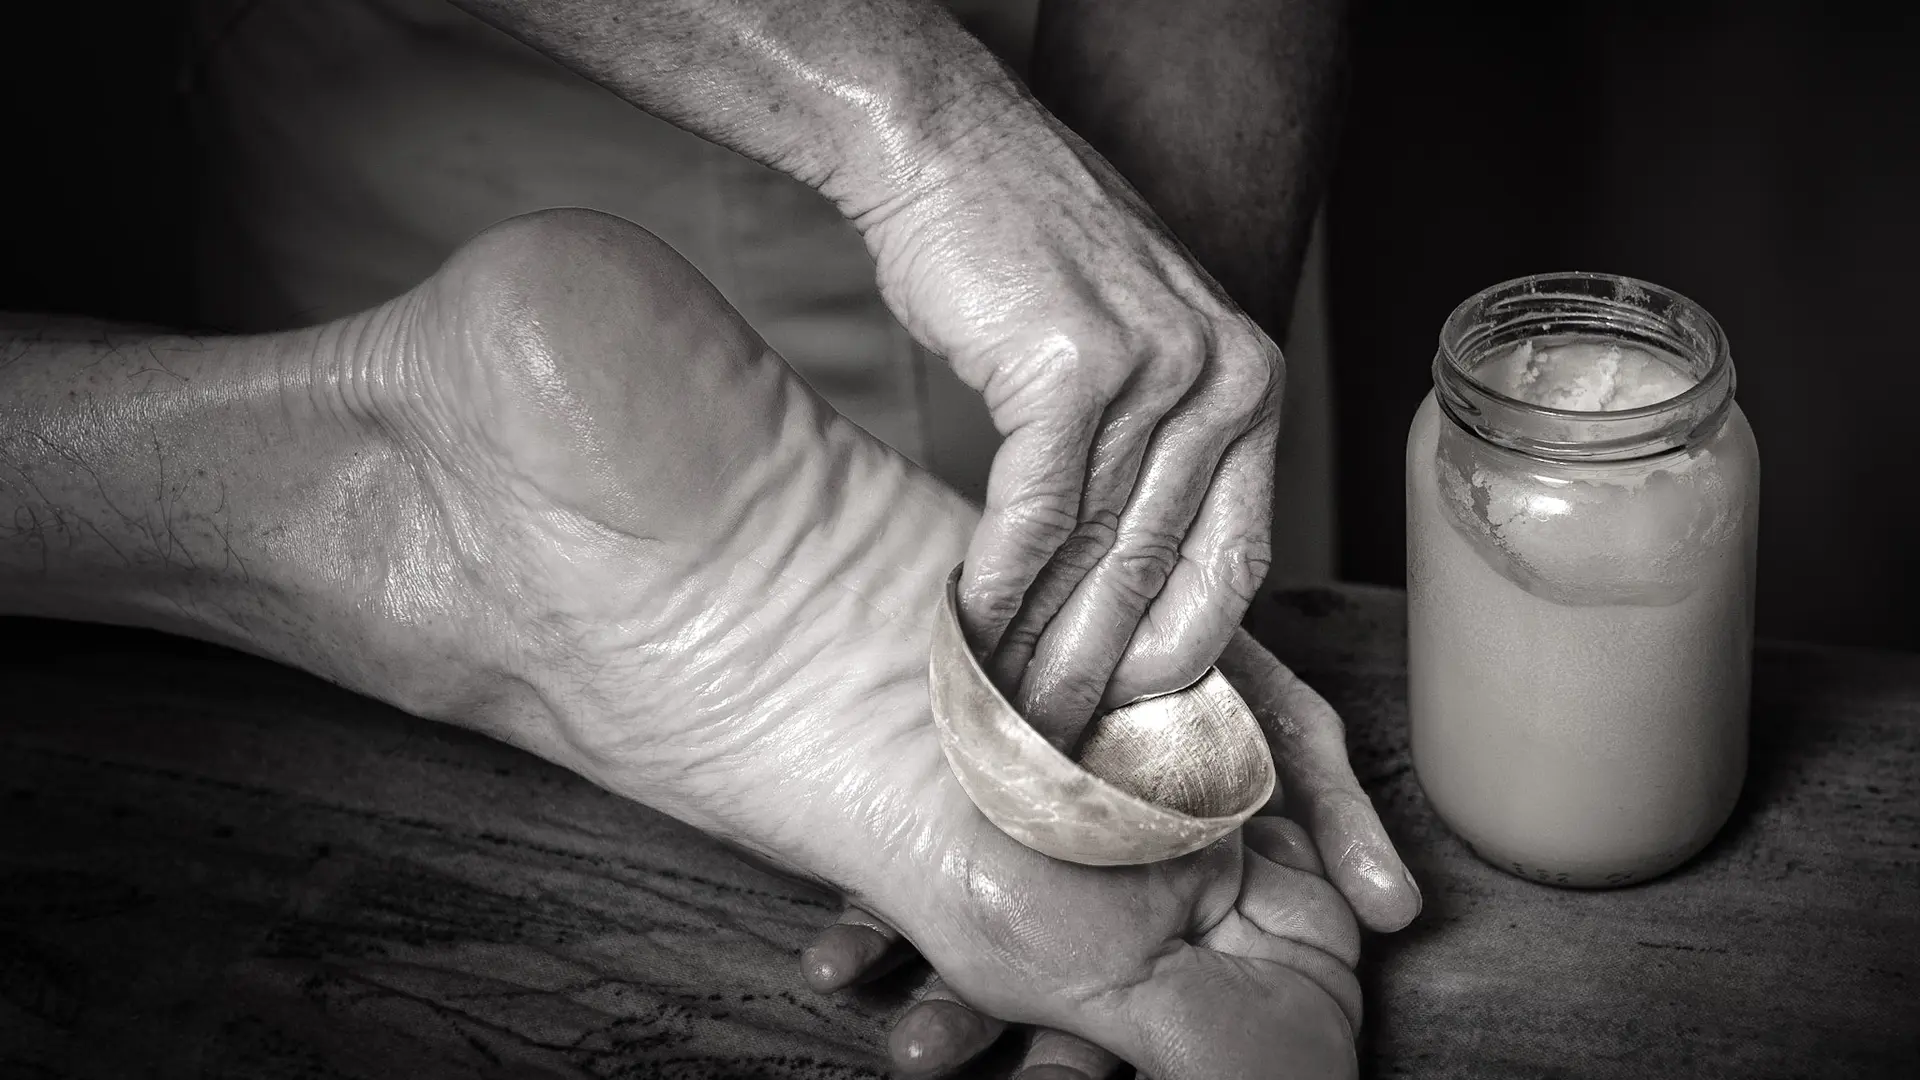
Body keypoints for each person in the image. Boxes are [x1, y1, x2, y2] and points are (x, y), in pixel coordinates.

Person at [5, 1, 1419, 1076]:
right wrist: (919, 123)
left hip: (1042, 239)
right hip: (450, 128)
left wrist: (1146, 433)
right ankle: (407, 498)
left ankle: (370, 488)